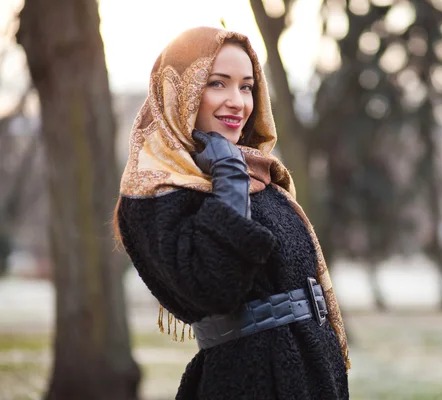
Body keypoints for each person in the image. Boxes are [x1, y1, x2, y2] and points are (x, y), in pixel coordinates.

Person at [114, 26, 350, 399]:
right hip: (248, 382)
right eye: (217, 83)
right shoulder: (154, 191)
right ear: (181, 92)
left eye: (246, 86)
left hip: (311, 375)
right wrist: (228, 175)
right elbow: (212, 287)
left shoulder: (256, 176)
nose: (237, 101)